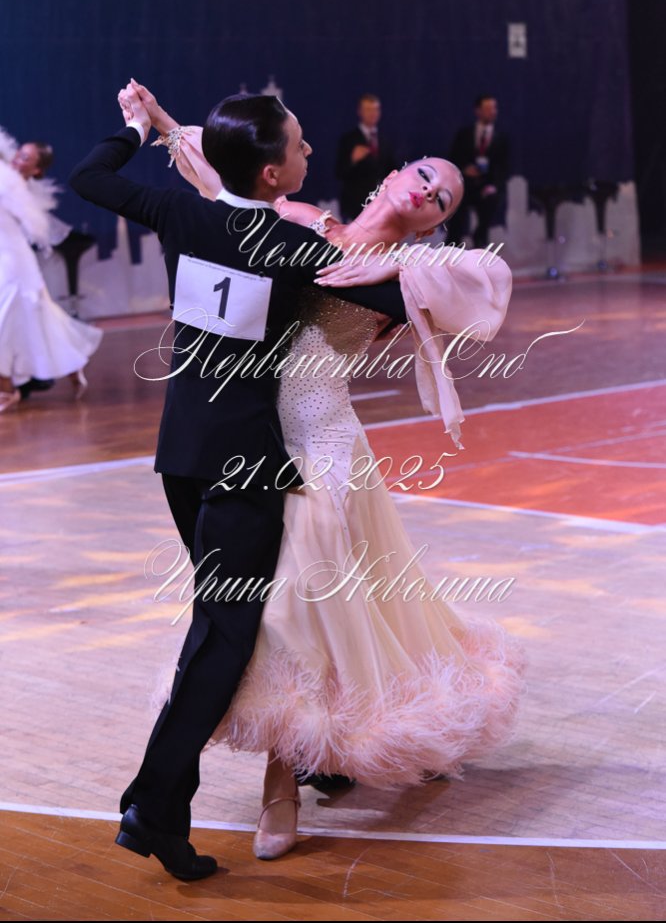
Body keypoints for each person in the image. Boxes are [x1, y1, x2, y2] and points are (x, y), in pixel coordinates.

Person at [132, 82, 524, 862]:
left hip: (321, 441)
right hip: (252, 433)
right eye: (423, 172)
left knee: (297, 604)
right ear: (394, 171)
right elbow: (220, 183)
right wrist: (163, 123)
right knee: (273, 607)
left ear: (437, 218)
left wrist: (395, 270)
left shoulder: (409, 274)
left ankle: (282, 781)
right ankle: (318, 752)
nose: (426, 189)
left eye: (442, 196)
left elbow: (484, 281)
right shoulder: (304, 219)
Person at [69, 83, 411, 881]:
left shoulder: (181, 215)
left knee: (216, 629)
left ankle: (175, 797)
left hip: (180, 455)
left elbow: (89, 178)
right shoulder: (291, 246)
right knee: (226, 638)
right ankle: (153, 805)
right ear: (271, 175)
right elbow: (392, 294)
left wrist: (133, 129)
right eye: (298, 144)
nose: (308, 151)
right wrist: (400, 262)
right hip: (246, 466)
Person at [0, 129, 101, 412]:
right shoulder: (7, 180)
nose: (17, 160)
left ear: (36, 169)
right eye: (19, 154)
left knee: (7, 322)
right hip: (6, 259)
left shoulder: (18, 190)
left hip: (14, 264)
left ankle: (6, 389)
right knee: (39, 321)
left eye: (26, 158)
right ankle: (73, 365)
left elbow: (36, 229)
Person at [447, 95, 510, 249]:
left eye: (494, 108)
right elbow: (453, 160)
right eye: (488, 108)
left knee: (491, 200)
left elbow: (504, 167)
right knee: (456, 211)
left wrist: (493, 185)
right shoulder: (464, 134)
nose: (492, 112)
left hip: (487, 186)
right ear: (478, 111)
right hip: (465, 186)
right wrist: (464, 170)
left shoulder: (502, 138)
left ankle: (480, 238)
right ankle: (452, 246)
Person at [335, 93, 396, 221]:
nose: (373, 113)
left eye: (376, 109)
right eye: (368, 109)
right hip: (355, 206)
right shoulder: (349, 139)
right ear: (360, 112)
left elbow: (391, 169)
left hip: (380, 205)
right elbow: (339, 172)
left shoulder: (384, 140)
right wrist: (352, 160)